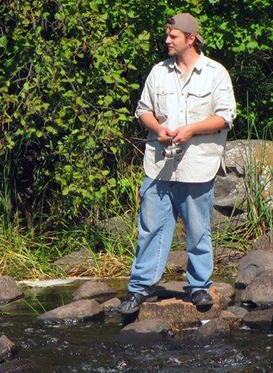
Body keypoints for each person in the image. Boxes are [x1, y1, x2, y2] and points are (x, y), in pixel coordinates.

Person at [118, 13, 237, 314]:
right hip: (158, 165)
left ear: (190, 39)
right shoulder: (159, 72)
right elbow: (143, 110)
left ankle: (199, 287)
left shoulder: (215, 73)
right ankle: (140, 288)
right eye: (167, 34)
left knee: (198, 230)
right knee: (150, 229)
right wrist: (157, 129)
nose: (167, 40)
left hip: (198, 166)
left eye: (173, 36)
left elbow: (226, 116)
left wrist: (191, 129)